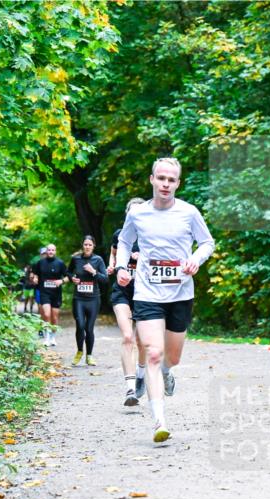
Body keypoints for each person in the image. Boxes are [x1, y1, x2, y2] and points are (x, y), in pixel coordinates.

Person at [116, 157, 214, 443]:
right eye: (161, 178)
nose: (165, 184)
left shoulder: (189, 212)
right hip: (147, 293)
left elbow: (207, 242)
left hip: (180, 294)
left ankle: (168, 372)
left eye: (171, 180)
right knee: (153, 354)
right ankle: (159, 421)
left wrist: (195, 260)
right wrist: (122, 267)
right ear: (152, 180)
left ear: (177, 183)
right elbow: (124, 242)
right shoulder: (138, 213)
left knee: (172, 357)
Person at [109, 197, 148, 407]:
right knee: (127, 336)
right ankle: (130, 388)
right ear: (127, 215)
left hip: (144, 293)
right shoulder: (120, 235)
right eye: (131, 212)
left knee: (142, 341)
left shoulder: (152, 237)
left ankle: (141, 375)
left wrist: (144, 259)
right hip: (122, 292)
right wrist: (114, 267)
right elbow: (113, 253)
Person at [68, 235, 108, 366]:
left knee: (89, 329)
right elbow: (68, 272)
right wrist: (72, 278)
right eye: (85, 244)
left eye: (90, 245)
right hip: (79, 298)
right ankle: (79, 351)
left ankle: (89, 356)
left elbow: (105, 279)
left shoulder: (98, 260)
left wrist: (93, 271)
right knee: (80, 325)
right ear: (82, 245)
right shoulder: (76, 259)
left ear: (93, 246)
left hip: (93, 299)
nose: (87, 247)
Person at [31, 244, 68, 346]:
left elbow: (68, 277)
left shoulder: (60, 263)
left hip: (56, 293)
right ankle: (47, 337)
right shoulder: (40, 263)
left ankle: (53, 337)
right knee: (46, 314)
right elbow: (35, 274)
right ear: (46, 251)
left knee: (54, 317)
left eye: (52, 250)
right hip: (44, 292)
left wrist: (61, 281)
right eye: (49, 250)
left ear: (55, 251)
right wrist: (35, 278)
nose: (51, 252)